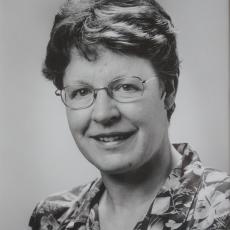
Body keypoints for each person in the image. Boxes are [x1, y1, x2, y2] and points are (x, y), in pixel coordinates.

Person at [29, 0, 230, 229]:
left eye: (126, 87)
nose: (104, 114)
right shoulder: (53, 219)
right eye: (82, 91)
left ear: (169, 90)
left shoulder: (223, 211)